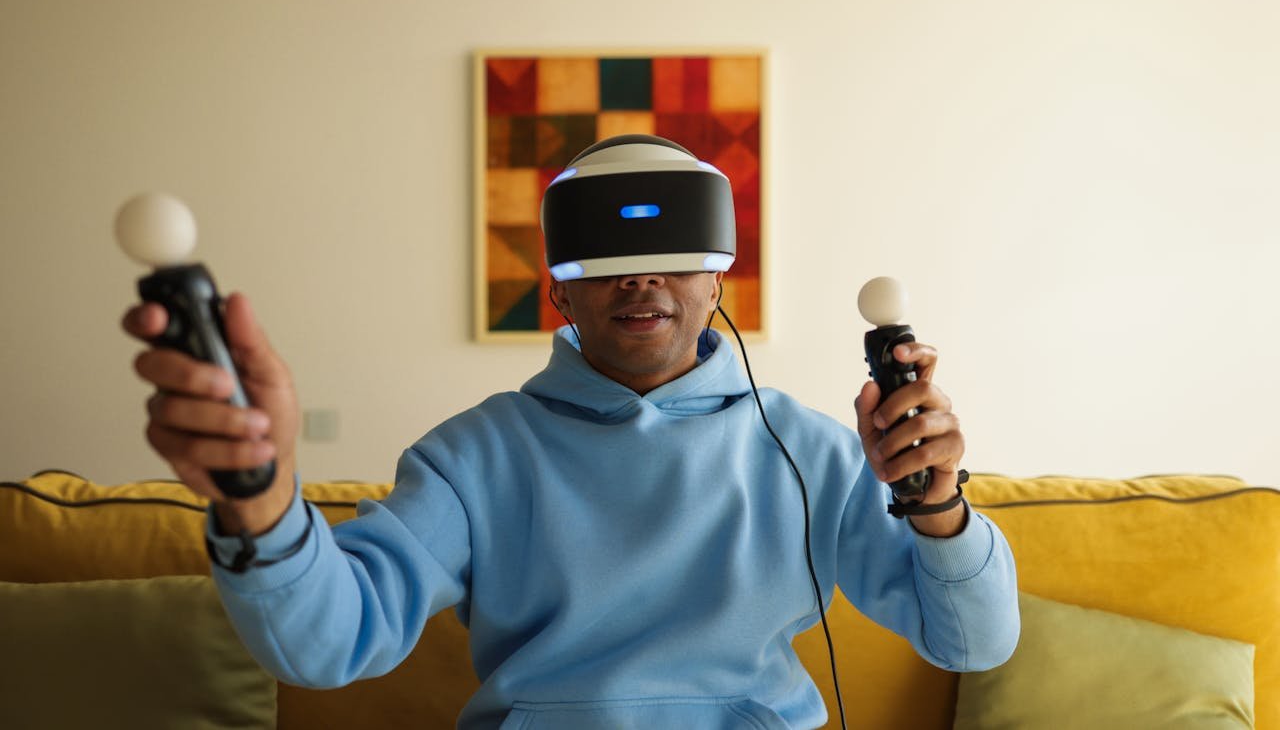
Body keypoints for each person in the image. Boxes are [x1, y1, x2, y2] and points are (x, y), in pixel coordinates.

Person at [122, 136, 1019, 730]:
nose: (641, 283)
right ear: (560, 288)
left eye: (673, 257)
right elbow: (326, 642)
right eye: (608, 265)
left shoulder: (812, 449)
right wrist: (263, 500)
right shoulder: (475, 458)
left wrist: (937, 508)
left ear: (718, 282)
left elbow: (974, 644)